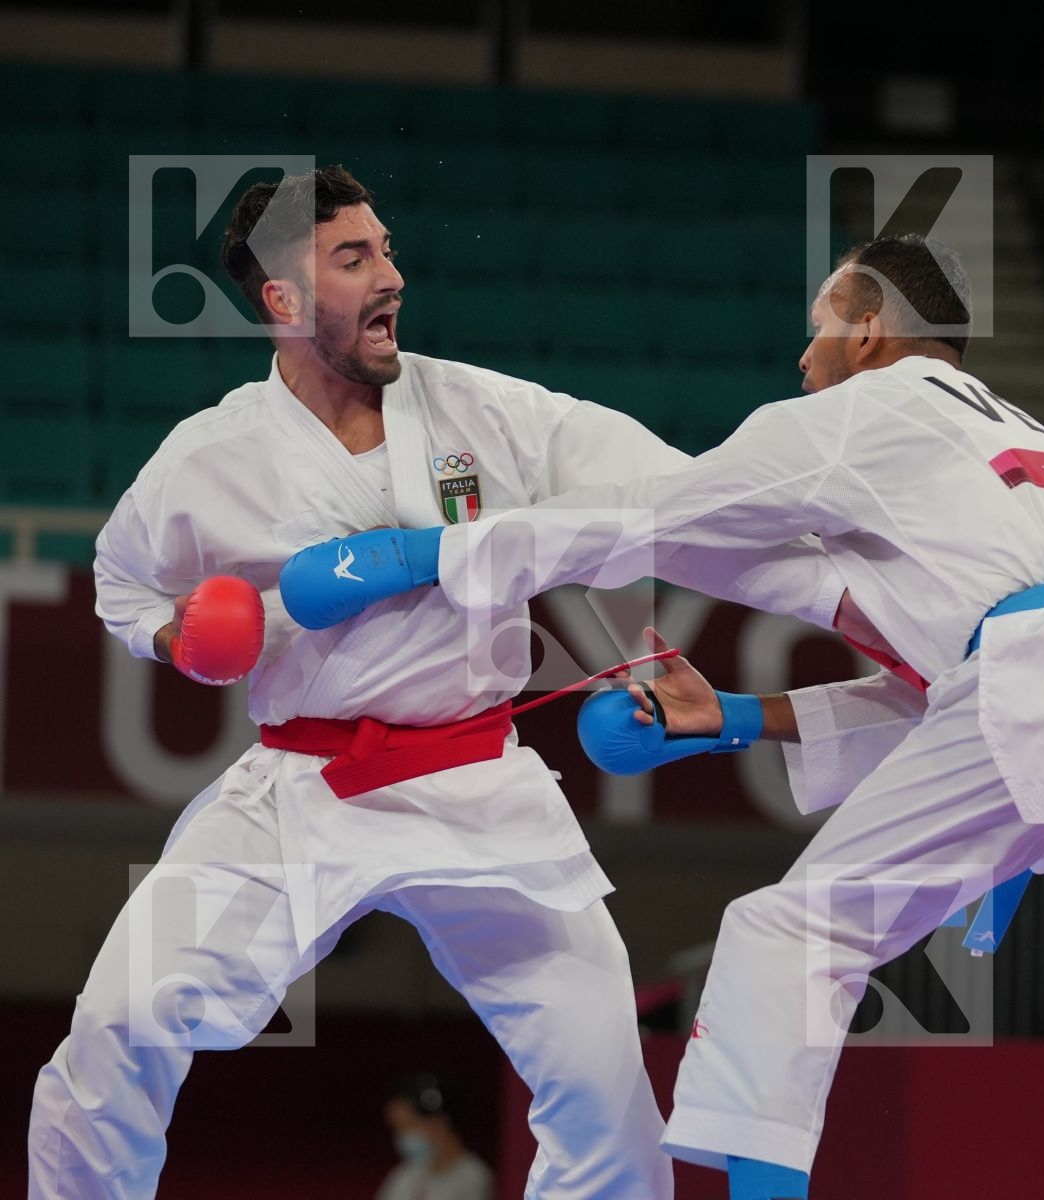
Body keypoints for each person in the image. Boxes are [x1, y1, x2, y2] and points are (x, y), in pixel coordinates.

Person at [282, 233, 1044, 1200]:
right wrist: (732, 714)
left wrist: (420, 552)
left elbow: (647, 517)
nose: (803, 353)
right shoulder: (1040, 449)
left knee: (794, 932)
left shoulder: (869, 408)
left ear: (870, 331)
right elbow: (957, 676)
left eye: (821, 325)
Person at [26, 165, 850, 1199]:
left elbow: (647, 492)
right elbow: (120, 582)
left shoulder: (486, 411)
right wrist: (177, 641)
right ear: (281, 299)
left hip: (479, 785)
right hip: (301, 787)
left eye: (390, 249)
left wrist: (652, 632)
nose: (393, 275)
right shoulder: (208, 458)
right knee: (117, 1027)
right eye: (355, 257)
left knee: (606, 1096)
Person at [377, 1074, 494, 1200]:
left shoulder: (473, 1178)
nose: (402, 1137)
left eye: (407, 1127)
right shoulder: (403, 1176)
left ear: (438, 1123)